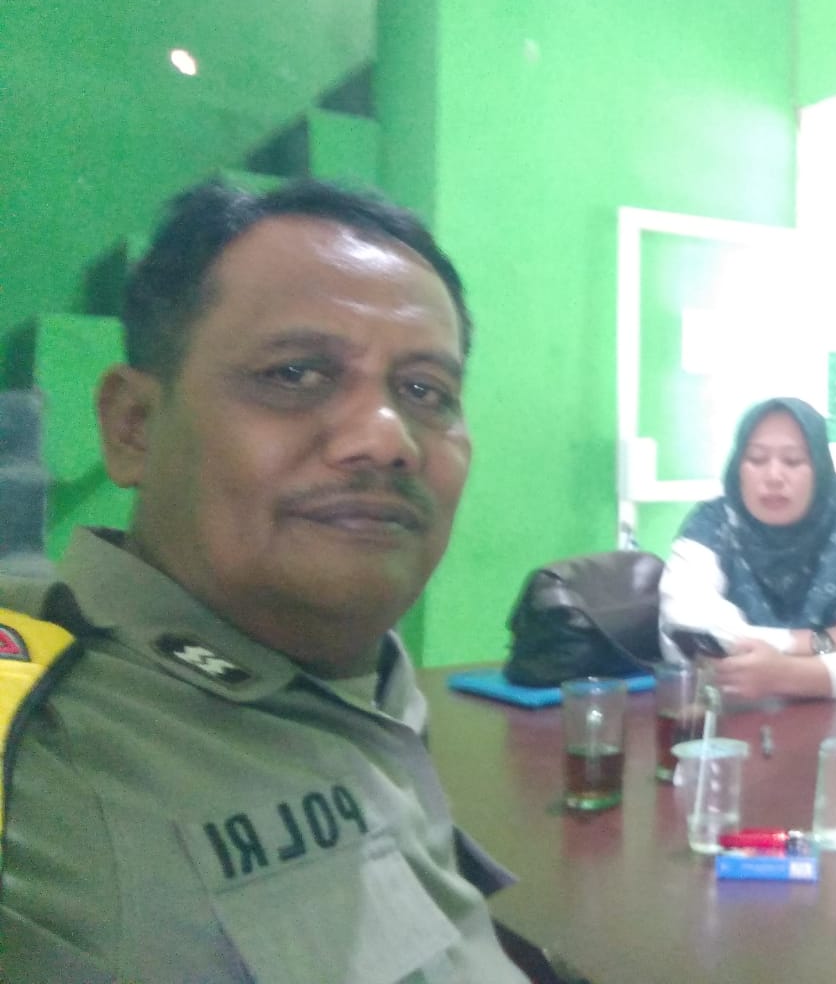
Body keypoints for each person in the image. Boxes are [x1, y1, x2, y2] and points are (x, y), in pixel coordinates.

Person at [0, 179, 533, 981]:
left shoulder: (364, 678)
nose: (386, 439)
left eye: (426, 391)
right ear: (134, 425)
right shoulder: (45, 760)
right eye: (294, 374)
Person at [658, 397, 836, 707]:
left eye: (793, 461)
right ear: (738, 467)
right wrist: (829, 639)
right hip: (736, 723)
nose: (774, 476)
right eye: (757, 459)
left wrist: (784, 675)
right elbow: (689, 627)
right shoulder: (714, 524)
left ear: (820, 470)